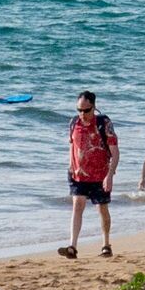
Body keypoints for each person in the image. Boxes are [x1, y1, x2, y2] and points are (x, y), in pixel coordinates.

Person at [60, 92, 118, 259]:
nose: (82, 114)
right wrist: (71, 166)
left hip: (100, 174)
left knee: (102, 208)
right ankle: (72, 246)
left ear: (94, 107)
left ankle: (106, 245)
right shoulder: (73, 122)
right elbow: (72, 146)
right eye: (79, 110)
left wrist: (110, 175)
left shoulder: (104, 123)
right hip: (78, 174)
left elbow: (115, 151)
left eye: (86, 110)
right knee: (77, 205)